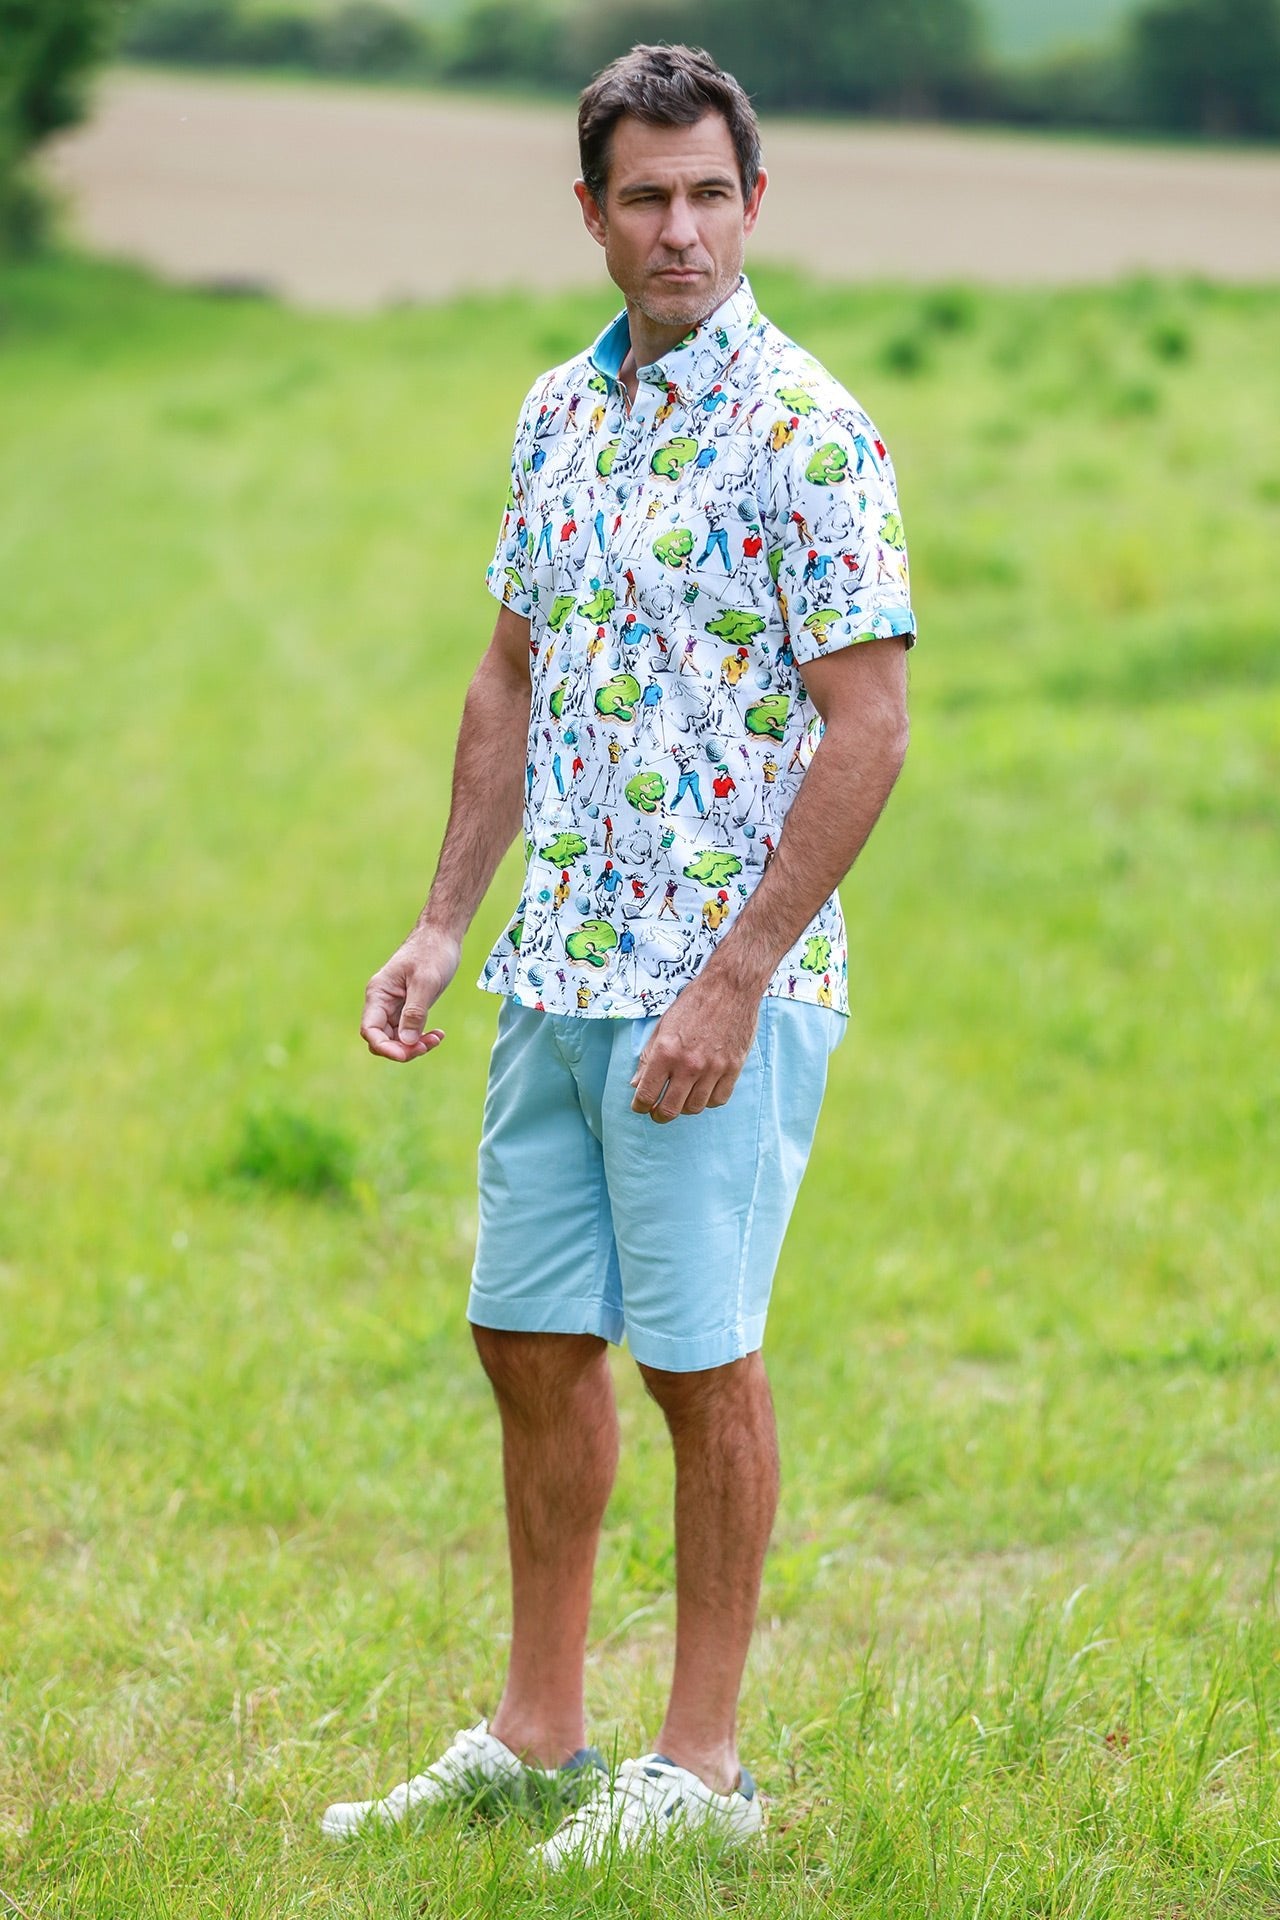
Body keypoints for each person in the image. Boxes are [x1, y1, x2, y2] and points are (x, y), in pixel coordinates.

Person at [324, 41, 915, 1869]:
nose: (681, 230)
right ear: (589, 213)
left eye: (710, 194)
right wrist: (446, 917)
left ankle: (705, 1771)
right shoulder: (556, 415)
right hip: (557, 967)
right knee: (523, 1335)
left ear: (757, 201)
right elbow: (511, 674)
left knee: (698, 1360)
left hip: (720, 989)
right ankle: (539, 1734)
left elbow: (871, 725)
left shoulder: (811, 432)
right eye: (646, 197)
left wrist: (736, 976)